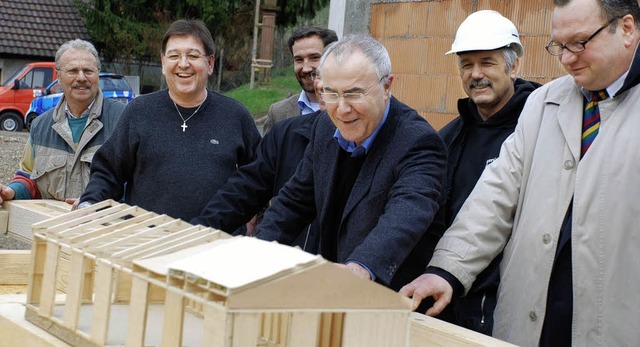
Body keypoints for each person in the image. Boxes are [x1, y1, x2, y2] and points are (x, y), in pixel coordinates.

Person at [400, 0, 640, 345]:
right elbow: (495, 196)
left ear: (627, 28)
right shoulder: (544, 104)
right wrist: (447, 270)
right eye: (559, 45)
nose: (567, 58)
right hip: (532, 325)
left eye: (580, 42)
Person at [255, 33, 447, 292]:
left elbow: (406, 213)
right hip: (333, 293)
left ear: (387, 86)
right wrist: (257, 250)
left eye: (354, 94)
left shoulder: (419, 141)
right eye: (331, 94)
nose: (342, 109)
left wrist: (360, 266)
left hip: (389, 300)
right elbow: (293, 201)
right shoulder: (324, 126)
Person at [77, 19, 261, 222]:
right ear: (163, 63)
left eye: (193, 55)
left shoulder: (235, 116)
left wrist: (252, 223)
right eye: (174, 56)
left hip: (215, 245)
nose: (183, 64)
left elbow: (259, 179)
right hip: (146, 242)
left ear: (209, 63)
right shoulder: (138, 112)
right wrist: (90, 204)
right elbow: (108, 172)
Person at [437, 10, 541, 335]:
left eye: (488, 62)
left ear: (514, 66)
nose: (476, 74)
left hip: (509, 310)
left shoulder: (541, 128)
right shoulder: (449, 138)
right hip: (449, 296)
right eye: (467, 64)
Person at [191, 77, 325, 252]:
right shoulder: (286, 133)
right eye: (332, 91)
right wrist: (198, 232)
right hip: (287, 261)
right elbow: (246, 189)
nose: (342, 107)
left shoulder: (364, 143)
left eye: (350, 93)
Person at [0, 39, 125, 205]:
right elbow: (29, 176)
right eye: (73, 71)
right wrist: (13, 191)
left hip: (106, 228)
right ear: (58, 78)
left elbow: (139, 183)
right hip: (51, 228)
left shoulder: (124, 120)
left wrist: (96, 201)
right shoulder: (40, 126)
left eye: (88, 70)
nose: (81, 77)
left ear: (97, 75)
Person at [261, 26, 338, 134]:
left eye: (314, 58)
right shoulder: (278, 113)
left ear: (332, 58)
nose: (306, 68)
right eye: (299, 60)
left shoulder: (348, 109)